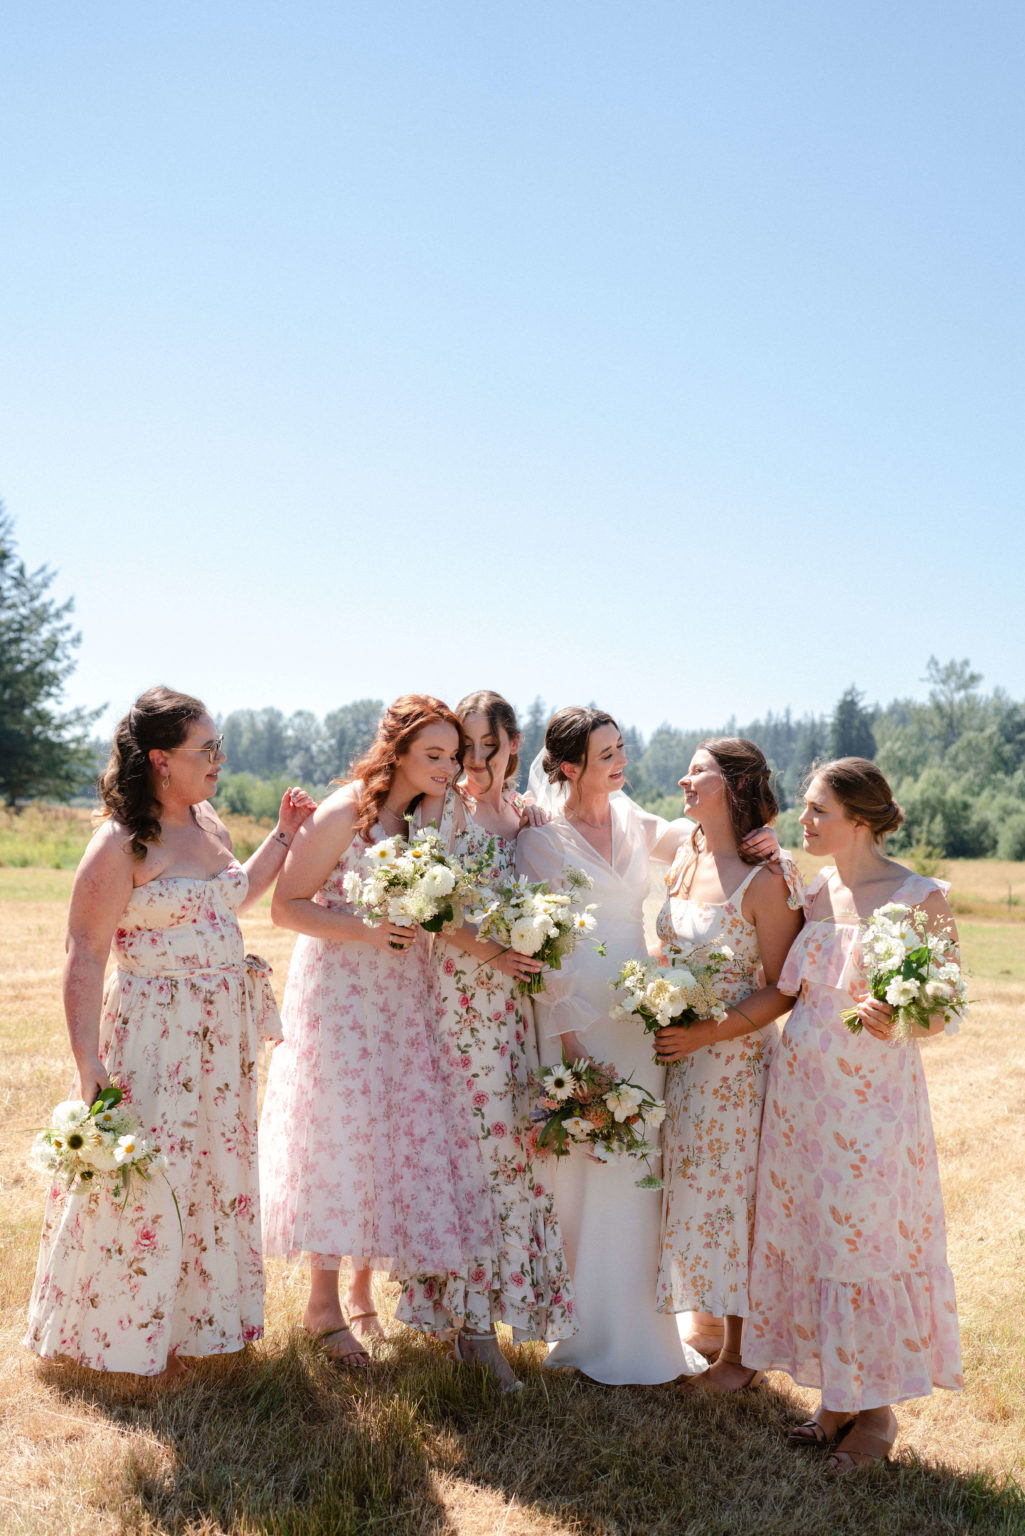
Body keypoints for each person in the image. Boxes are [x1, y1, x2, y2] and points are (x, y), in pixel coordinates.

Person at [25, 685, 313, 1381]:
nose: (218, 760)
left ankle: (199, 1327)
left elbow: (234, 897)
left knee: (213, 1172)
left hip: (222, 1036)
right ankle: (122, 1335)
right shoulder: (121, 842)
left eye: (219, 746)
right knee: (152, 1174)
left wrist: (282, 834)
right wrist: (86, 1060)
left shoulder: (209, 822)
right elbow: (84, 952)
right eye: (205, 749)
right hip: (156, 1032)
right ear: (160, 759)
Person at [516, 707, 778, 1385]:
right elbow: (539, 944)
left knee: (643, 1167)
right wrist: (569, 1043)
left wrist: (767, 837)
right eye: (606, 754)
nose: (620, 763)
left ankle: (646, 1330)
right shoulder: (539, 837)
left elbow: (709, 841)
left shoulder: (634, 820)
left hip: (642, 1011)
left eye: (620, 749)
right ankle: (587, 1329)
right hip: (576, 1013)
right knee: (585, 1167)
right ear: (569, 766)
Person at [259, 694, 497, 1368]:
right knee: (338, 1137)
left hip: (401, 997)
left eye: (454, 756)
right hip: (341, 995)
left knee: (385, 1136)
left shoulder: (426, 820)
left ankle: (362, 1297)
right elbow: (285, 907)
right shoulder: (344, 813)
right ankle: (322, 1308)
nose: (448, 767)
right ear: (397, 753)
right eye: (434, 755)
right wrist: (367, 930)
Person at [743, 757, 964, 1471]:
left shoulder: (919, 897)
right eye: (805, 807)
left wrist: (902, 1019)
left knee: (861, 1242)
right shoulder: (814, 890)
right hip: (800, 1098)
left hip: (870, 1108)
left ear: (860, 820)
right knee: (814, 1236)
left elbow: (945, 1009)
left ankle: (876, 1416)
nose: (803, 820)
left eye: (818, 811)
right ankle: (836, 1399)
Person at [394, 691, 575, 1392]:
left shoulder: (524, 818)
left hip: (513, 1012)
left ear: (513, 744)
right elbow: (422, 906)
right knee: (472, 1157)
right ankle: (471, 1331)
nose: (473, 760)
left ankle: (486, 1318)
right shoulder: (441, 812)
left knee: (512, 1155)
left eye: (488, 746)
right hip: (455, 1006)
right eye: (465, 747)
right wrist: (494, 953)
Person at [652, 738, 804, 1391]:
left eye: (699, 772)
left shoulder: (766, 878)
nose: (684, 781)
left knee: (735, 1198)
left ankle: (741, 1356)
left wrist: (705, 1034)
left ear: (736, 785)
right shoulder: (686, 855)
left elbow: (783, 988)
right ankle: (707, 1323)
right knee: (692, 1190)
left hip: (734, 1066)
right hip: (679, 1061)